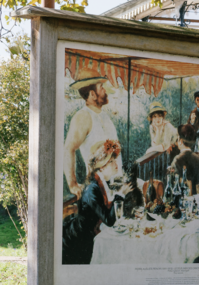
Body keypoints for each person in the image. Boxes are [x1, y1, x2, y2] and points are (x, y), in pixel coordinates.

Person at [62, 140, 133, 264]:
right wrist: (121, 194)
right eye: (111, 161)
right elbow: (109, 220)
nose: (116, 163)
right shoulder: (92, 189)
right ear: (102, 166)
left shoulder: (101, 183)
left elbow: (108, 211)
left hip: (90, 236)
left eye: (114, 159)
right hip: (77, 243)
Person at [64, 66, 122, 199]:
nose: (104, 90)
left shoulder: (104, 115)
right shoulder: (83, 116)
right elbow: (68, 149)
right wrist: (72, 184)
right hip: (99, 188)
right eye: (101, 87)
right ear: (92, 94)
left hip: (115, 185)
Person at [171, 124, 199, 195]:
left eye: (177, 139)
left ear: (180, 141)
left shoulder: (177, 159)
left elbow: (173, 183)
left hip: (182, 199)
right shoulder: (197, 157)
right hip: (196, 198)